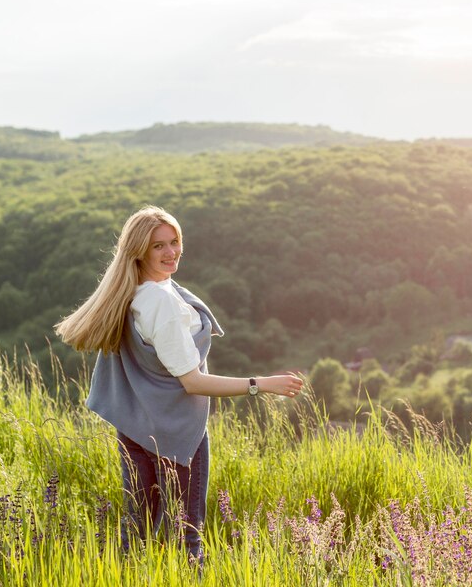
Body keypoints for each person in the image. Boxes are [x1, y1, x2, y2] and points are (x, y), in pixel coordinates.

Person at [55, 205, 302, 562]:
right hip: (176, 435)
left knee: (138, 534)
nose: (171, 252)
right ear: (138, 250)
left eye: (175, 242)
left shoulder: (136, 290)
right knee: (186, 540)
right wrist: (261, 383)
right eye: (158, 246)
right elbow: (192, 381)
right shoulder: (160, 304)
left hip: (138, 428)